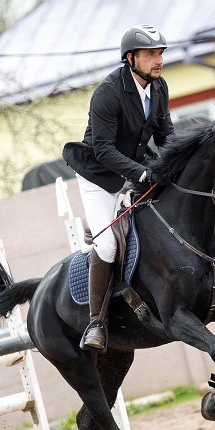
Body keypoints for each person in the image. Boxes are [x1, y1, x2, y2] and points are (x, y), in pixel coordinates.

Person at [62, 24, 175, 352]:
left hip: (134, 167)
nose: (158, 60)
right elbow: (104, 150)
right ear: (130, 58)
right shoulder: (108, 93)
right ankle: (97, 322)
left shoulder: (158, 87)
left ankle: (97, 226)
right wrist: (141, 175)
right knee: (109, 247)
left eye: (160, 53)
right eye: (151, 54)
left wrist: (177, 164)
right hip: (99, 175)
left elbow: (165, 136)